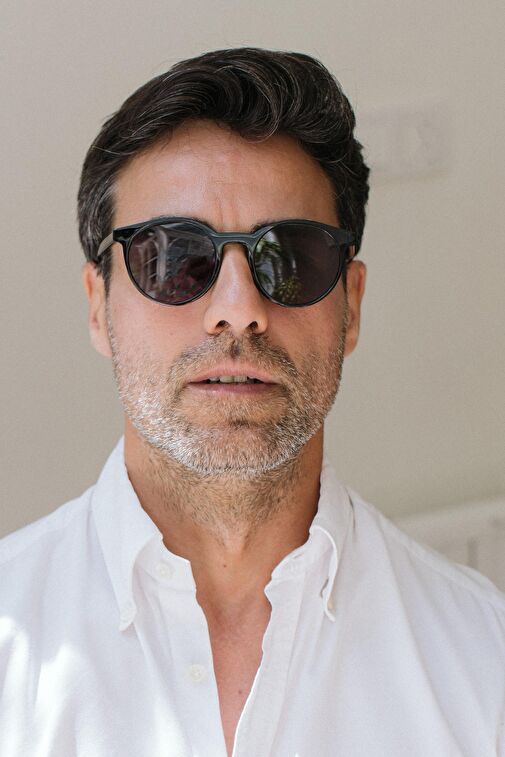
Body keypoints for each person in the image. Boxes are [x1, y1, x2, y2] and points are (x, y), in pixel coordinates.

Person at [0, 47, 504, 757]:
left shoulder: (484, 664)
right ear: (98, 306)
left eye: (288, 257)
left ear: (351, 305)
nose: (237, 309)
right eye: (175, 258)